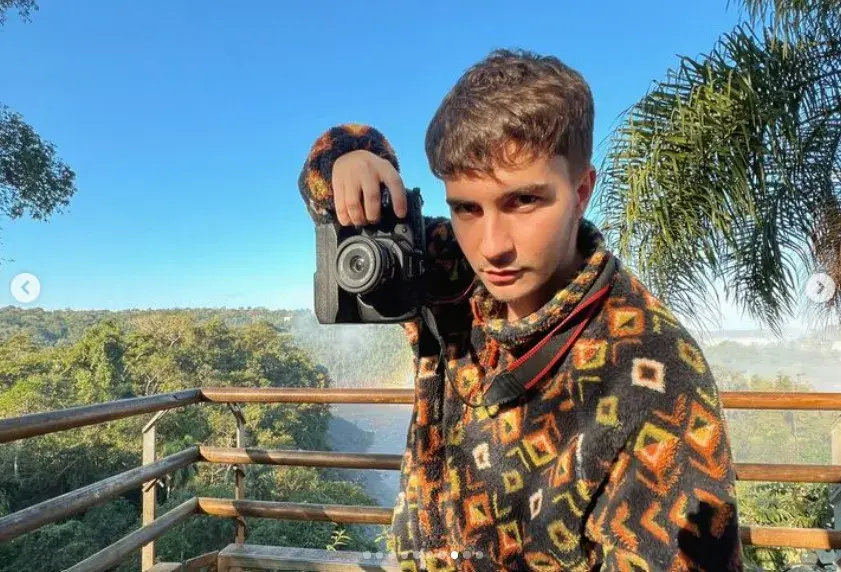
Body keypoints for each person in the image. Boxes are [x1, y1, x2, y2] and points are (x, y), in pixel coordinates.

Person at [297, 48, 743, 571]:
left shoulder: (655, 371)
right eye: (466, 207)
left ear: (581, 192)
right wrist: (355, 155)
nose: (491, 247)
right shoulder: (448, 273)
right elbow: (325, 181)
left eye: (523, 202)